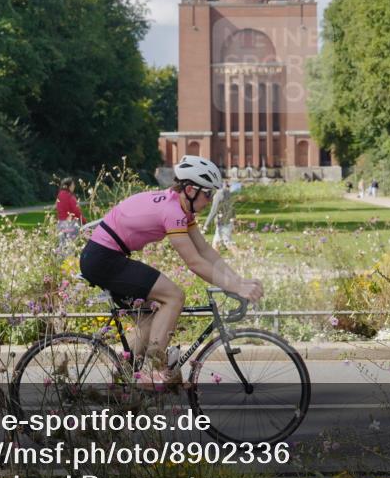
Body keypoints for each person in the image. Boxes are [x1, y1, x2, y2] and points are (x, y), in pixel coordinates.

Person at [79, 156, 263, 387]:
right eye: (208, 194)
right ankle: (152, 371)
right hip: (104, 258)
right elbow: (194, 262)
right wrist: (235, 286)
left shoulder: (182, 210)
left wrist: (238, 281)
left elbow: (205, 250)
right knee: (174, 296)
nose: (210, 200)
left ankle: (124, 380)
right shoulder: (172, 211)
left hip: (104, 257)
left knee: (147, 320)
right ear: (190, 190)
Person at [203, 180, 235, 250]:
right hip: (226, 221)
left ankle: (241, 258)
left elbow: (213, 211)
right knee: (215, 243)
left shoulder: (218, 195)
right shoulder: (227, 192)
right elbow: (232, 206)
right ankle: (215, 260)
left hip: (223, 223)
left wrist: (206, 225)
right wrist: (233, 217)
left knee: (228, 243)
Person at [55, 177, 86, 248]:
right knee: (70, 247)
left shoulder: (59, 195)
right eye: (73, 185)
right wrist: (83, 221)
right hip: (71, 224)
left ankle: (61, 258)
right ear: (69, 186)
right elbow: (76, 211)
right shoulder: (70, 196)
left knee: (62, 246)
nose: (74, 186)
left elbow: (58, 209)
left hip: (61, 224)